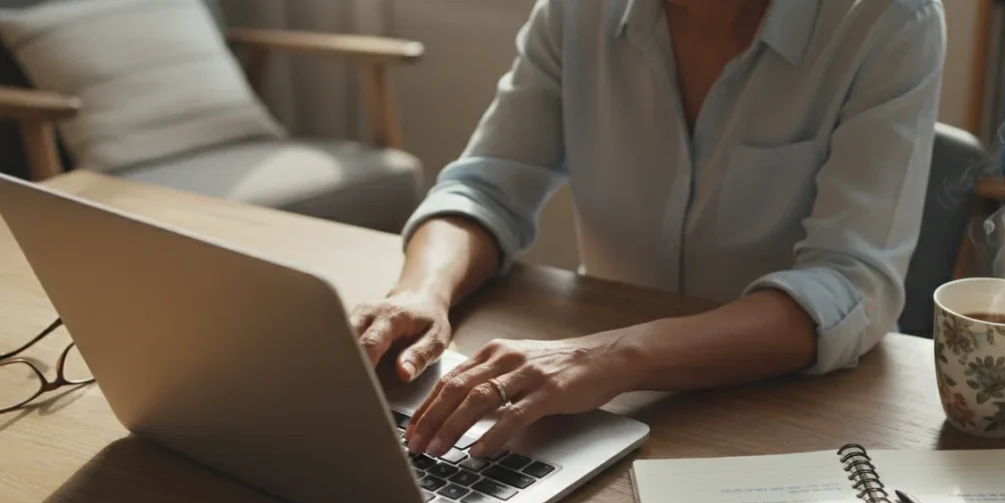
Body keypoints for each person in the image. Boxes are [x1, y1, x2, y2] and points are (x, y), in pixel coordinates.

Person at [349, 0, 947, 459]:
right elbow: (485, 187)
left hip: (788, 414)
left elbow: (850, 284)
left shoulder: (888, 20)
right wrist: (423, 291)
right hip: (593, 410)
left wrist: (614, 356)